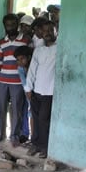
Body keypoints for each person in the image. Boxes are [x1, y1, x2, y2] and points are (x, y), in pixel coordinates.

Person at [0, 14, 31, 146]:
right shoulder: (2, 42)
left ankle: (14, 136)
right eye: (7, 25)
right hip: (3, 80)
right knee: (0, 108)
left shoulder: (25, 40)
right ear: (4, 26)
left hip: (18, 82)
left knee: (17, 110)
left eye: (13, 25)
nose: (10, 27)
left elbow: (29, 62)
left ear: (17, 25)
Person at [24, 20, 57, 159]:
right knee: (36, 118)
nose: (47, 33)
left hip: (50, 91)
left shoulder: (59, 48)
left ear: (55, 31)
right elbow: (32, 70)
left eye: (50, 30)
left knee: (44, 119)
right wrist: (28, 88)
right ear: (41, 33)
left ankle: (45, 147)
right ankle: (35, 144)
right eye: (44, 31)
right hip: (37, 90)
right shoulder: (38, 50)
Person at [14, 45, 34, 143]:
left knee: (34, 114)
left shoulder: (34, 66)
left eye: (22, 59)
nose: (20, 62)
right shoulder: (20, 69)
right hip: (28, 92)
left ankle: (35, 138)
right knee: (28, 111)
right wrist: (29, 96)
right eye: (18, 60)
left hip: (38, 91)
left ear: (29, 57)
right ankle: (26, 134)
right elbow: (24, 83)